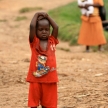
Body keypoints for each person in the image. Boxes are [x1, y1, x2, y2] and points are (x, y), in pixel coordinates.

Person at [26, 12, 59, 108]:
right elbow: (32, 26)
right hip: (35, 78)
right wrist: (36, 14)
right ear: (36, 31)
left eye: (46, 29)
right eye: (40, 30)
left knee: (48, 104)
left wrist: (48, 16)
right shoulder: (34, 42)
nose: (44, 32)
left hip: (50, 78)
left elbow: (56, 27)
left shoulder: (52, 41)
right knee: (33, 103)